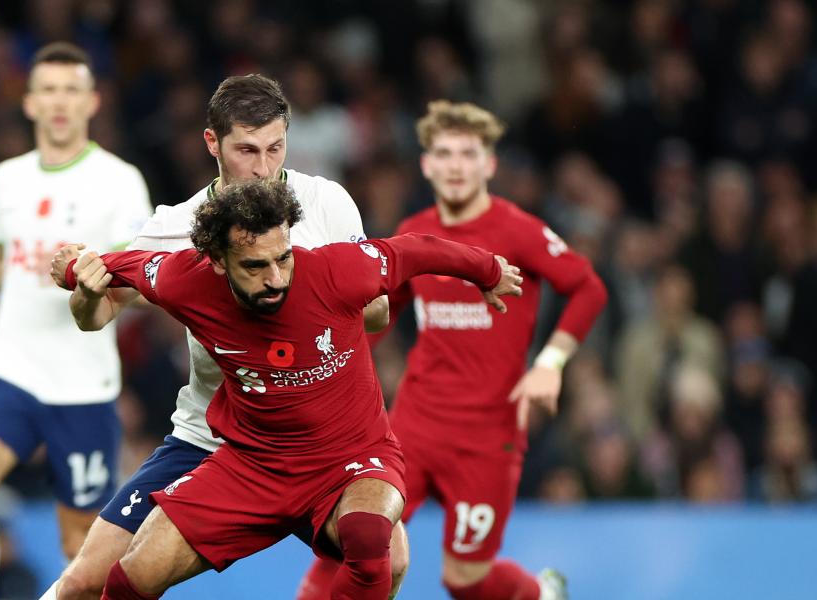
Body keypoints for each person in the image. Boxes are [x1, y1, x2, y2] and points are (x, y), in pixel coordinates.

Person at [66, 177, 523, 600]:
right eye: (255, 265)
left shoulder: (338, 270)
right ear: (218, 261)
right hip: (252, 463)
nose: (276, 278)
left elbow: (417, 251)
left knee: (371, 541)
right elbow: (117, 266)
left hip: (350, 458)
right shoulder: (184, 280)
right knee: (135, 573)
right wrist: (71, 269)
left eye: (282, 258)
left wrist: (487, 271)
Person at [40, 74, 405, 600]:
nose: (264, 168)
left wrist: (303, 290)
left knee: (387, 560)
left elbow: (376, 314)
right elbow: (95, 316)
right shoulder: (175, 227)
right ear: (212, 143)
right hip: (213, 441)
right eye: (247, 150)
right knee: (83, 582)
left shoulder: (325, 202)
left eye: (275, 148)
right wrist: (87, 291)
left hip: (323, 446)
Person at [297, 100, 608, 600]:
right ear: (427, 164)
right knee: (349, 541)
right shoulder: (414, 231)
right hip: (413, 425)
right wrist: (330, 367)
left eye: (468, 154)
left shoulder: (518, 230)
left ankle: (542, 593)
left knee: (466, 580)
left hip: (489, 435)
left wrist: (550, 363)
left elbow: (588, 288)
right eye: (444, 154)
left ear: (489, 164)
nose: (456, 166)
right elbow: (382, 312)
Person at [0, 42, 152, 600]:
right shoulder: (7, 179)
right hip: (12, 366)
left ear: (92, 102)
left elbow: (144, 276)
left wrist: (95, 283)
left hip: (83, 382)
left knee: (80, 547)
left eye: (72, 90)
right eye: (48, 90)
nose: (59, 102)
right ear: (28, 103)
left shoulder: (119, 181)